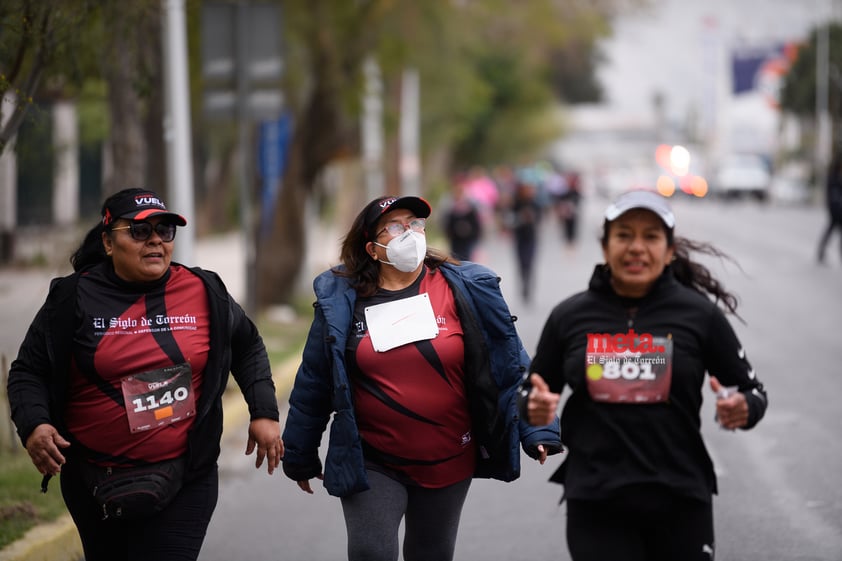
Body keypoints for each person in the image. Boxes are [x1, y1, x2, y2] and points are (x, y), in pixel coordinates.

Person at [7, 188, 283, 561]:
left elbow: (248, 346)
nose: (155, 240)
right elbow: (28, 371)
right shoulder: (73, 298)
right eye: (139, 231)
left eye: (165, 231)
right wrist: (35, 425)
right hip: (94, 480)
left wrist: (263, 411)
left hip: (187, 475)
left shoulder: (205, 290)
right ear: (108, 242)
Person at [281, 195, 562, 561]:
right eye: (395, 227)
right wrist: (300, 453)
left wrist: (537, 428)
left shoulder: (465, 287)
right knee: (371, 552)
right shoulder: (343, 301)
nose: (409, 233)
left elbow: (511, 365)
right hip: (373, 458)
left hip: (449, 454)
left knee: (431, 553)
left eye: (415, 224)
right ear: (372, 247)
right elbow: (314, 381)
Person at [522, 189, 769, 561]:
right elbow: (531, 392)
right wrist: (534, 409)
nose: (637, 247)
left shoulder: (700, 316)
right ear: (605, 247)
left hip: (681, 496)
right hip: (596, 498)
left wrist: (744, 407)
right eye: (624, 235)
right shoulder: (569, 317)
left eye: (650, 237)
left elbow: (753, 391)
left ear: (669, 251)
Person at [443, 177, 482, 261]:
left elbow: (476, 221)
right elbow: (446, 221)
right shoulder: (449, 204)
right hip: (455, 238)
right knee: (456, 257)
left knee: (467, 257)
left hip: (469, 237)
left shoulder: (471, 203)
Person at [817, 155, 842, 264]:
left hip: (837, 210)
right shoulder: (833, 177)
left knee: (829, 232)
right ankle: (821, 253)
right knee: (829, 232)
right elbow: (831, 195)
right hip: (835, 210)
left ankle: (821, 252)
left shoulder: (836, 177)